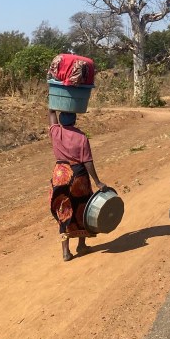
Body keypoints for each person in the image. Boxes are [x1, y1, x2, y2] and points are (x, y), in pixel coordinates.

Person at [48, 109, 107, 262]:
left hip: (60, 176)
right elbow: (88, 161)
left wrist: (52, 106)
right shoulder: (81, 137)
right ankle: (81, 245)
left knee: (63, 211)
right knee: (82, 207)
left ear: (61, 120)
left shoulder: (55, 132)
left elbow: (51, 114)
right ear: (74, 120)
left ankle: (65, 252)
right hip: (77, 175)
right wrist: (97, 181)